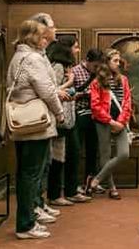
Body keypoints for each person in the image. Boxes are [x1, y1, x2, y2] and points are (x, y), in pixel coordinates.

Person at [8, 19, 65, 240]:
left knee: (25, 172)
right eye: (42, 36)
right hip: (36, 124)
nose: (45, 40)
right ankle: (26, 224)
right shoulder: (33, 59)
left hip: (23, 123)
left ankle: (28, 218)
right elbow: (48, 91)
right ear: (33, 37)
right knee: (32, 174)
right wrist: (59, 113)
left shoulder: (18, 56)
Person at [46, 38, 88, 207]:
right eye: (75, 47)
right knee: (58, 158)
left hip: (68, 118)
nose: (77, 50)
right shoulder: (57, 66)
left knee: (69, 155)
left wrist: (72, 91)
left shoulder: (65, 67)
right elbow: (54, 91)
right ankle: (55, 195)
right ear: (67, 49)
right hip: (60, 120)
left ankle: (68, 192)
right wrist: (71, 83)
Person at [88, 49, 132, 199]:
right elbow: (95, 106)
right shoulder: (97, 82)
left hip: (120, 122)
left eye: (119, 61)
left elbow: (127, 102)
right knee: (105, 155)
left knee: (124, 154)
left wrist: (120, 121)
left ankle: (97, 179)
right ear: (106, 62)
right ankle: (112, 188)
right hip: (103, 122)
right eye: (115, 60)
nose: (118, 63)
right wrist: (110, 121)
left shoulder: (123, 80)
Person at [70, 48, 104, 195]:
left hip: (94, 114)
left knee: (93, 149)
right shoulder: (75, 71)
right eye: (95, 66)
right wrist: (87, 94)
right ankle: (74, 184)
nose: (96, 69)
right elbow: (70, 94)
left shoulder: (99, 73)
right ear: (87, 61)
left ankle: (90, 182)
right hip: (78, 113)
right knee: (76, 150)